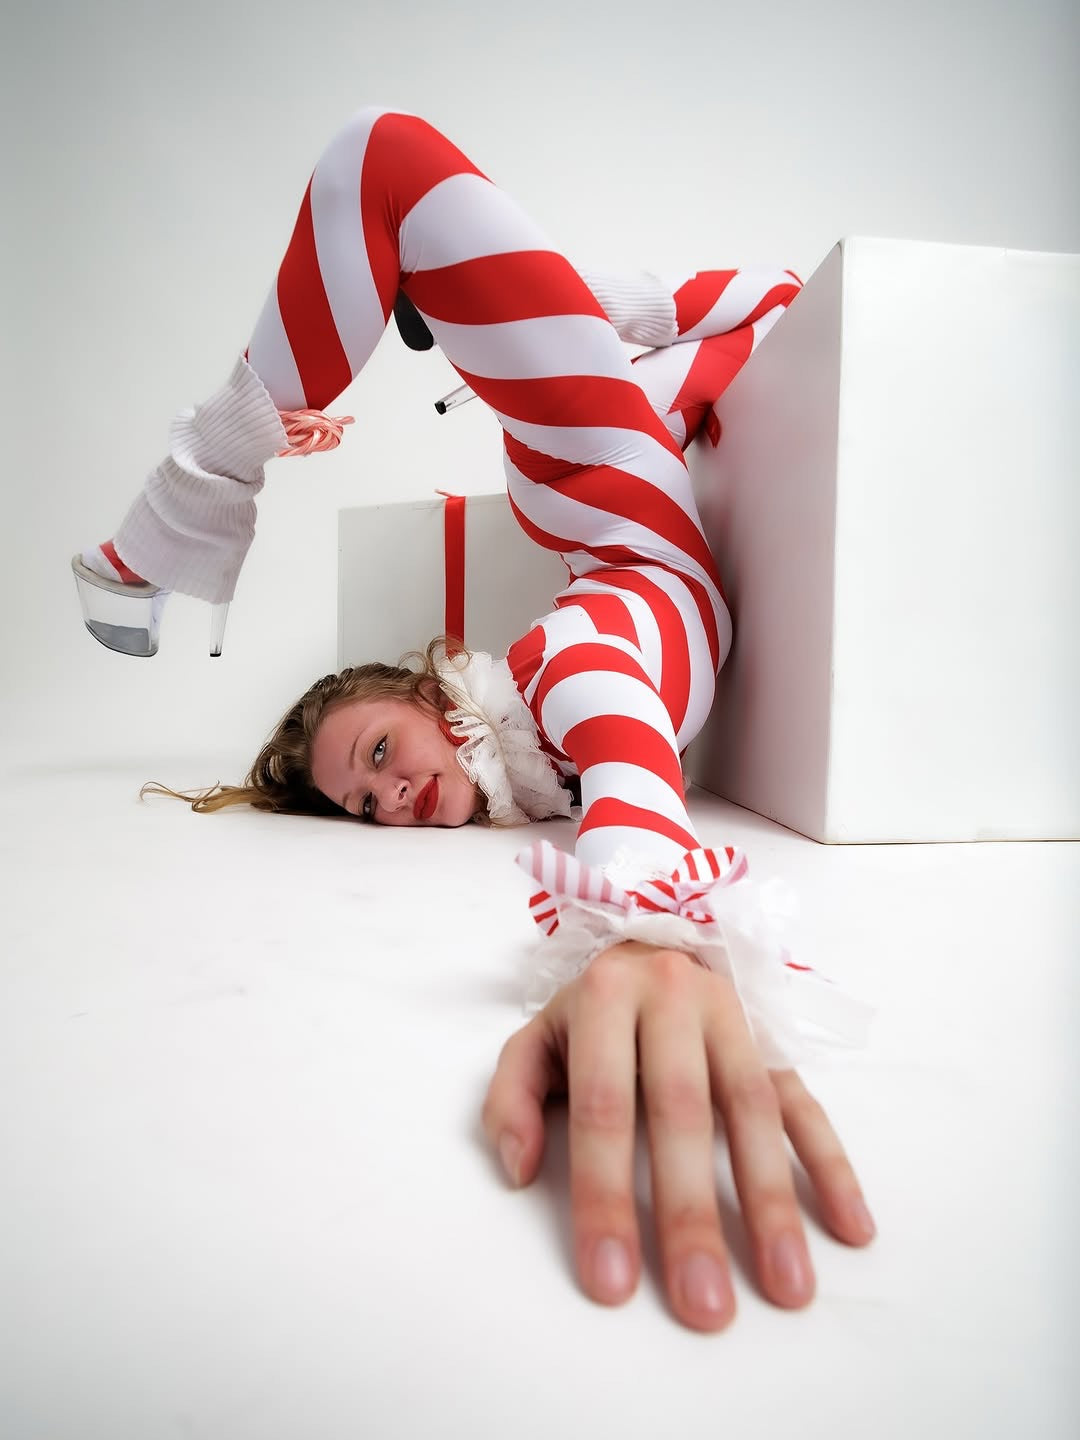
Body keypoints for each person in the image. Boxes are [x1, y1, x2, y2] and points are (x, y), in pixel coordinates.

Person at [71, 105, 875, 1333]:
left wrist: (644, 936)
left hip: (608, 519)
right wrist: (644, 320)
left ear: (446, 700)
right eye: (362, 802)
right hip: (616, 512)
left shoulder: (556, 669)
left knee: (381, 162)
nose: (388, 801)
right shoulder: (558, 693)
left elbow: (623, 744)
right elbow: (765, 309)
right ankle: (212, 486)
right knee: (395, 187)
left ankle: (192, 499)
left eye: (381, 753)